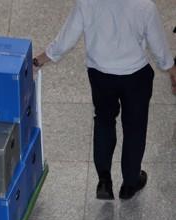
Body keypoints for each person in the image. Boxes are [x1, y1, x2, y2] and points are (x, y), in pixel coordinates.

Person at [33, 0, 176, 200]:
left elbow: (65, 40)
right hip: (135, 76)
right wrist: (171, 70)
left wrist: (38, 61)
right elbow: (159, 46)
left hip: (100, 74)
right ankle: (130, 182)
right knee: (135, 128)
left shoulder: (87, 2)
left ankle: (104, 181)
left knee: (103, 122)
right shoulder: (145, 6)